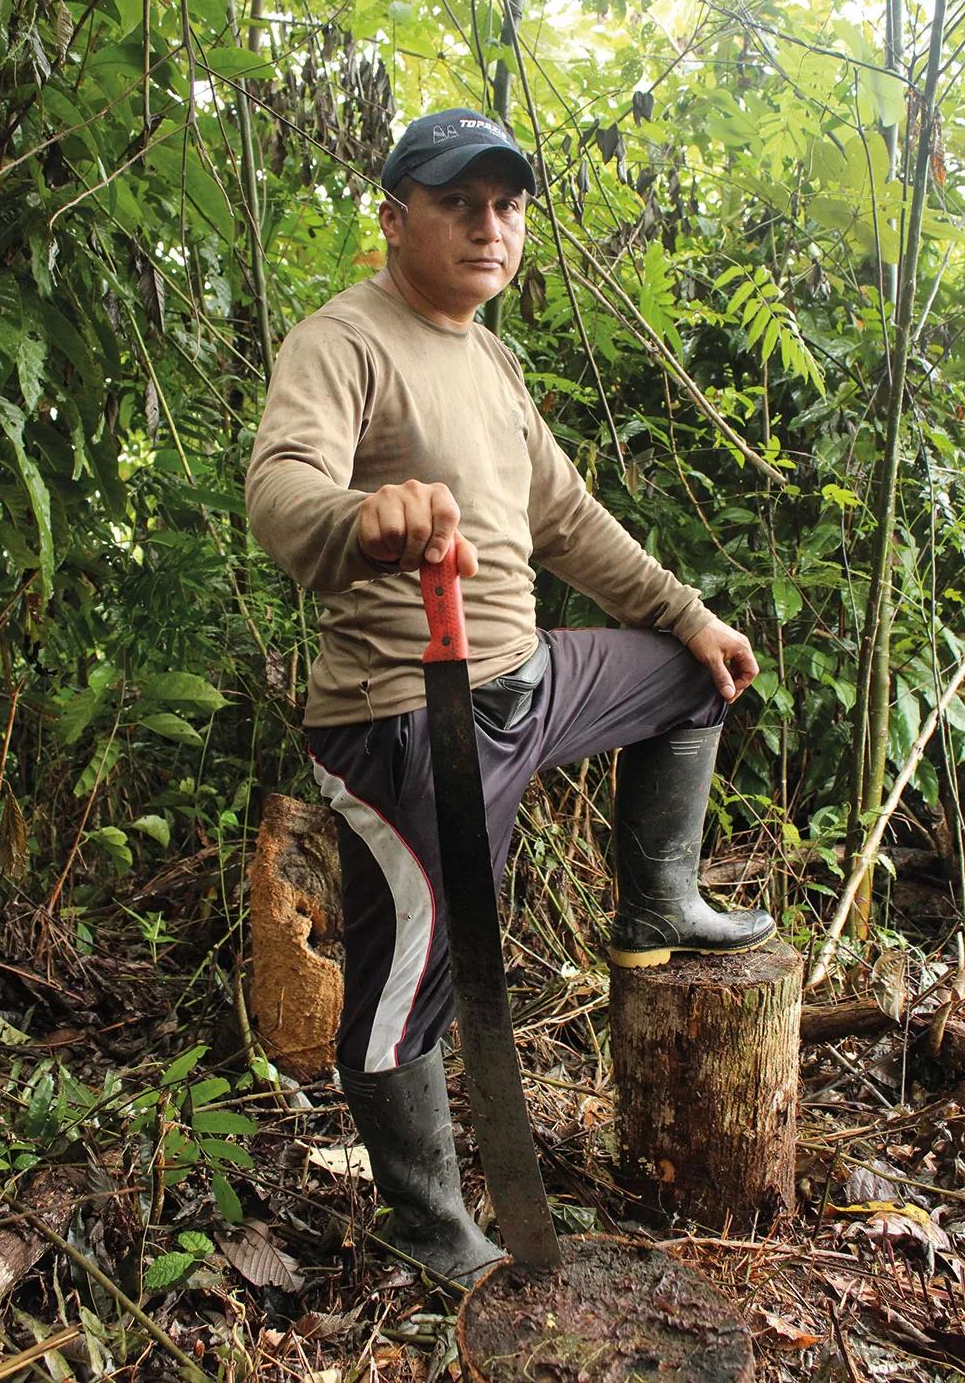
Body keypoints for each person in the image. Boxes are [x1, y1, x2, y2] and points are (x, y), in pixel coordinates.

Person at [246, 108, 776, 1285]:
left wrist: (687, 613)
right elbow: (282, 493)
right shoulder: (344, 342)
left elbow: (566, 519)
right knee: (406, 990)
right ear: (394, 218)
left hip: (526, 678)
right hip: (402, 716)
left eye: (509, 207)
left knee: (690, 678)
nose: (492, 228)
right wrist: (356, 516)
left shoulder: (486, 355)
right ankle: (435, 1237)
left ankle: (658, 909)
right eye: (460, 204)